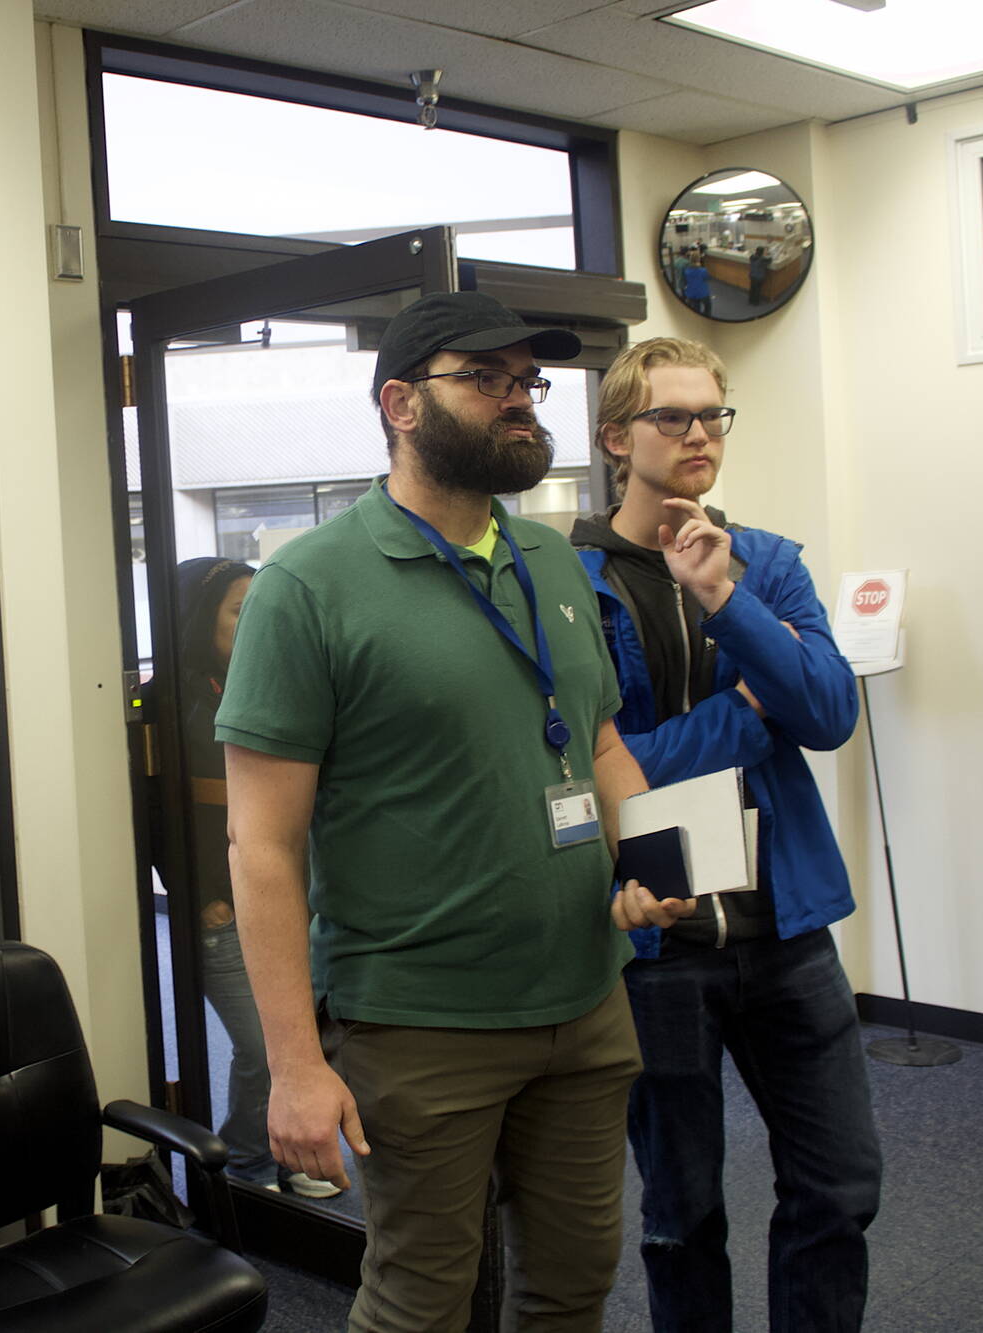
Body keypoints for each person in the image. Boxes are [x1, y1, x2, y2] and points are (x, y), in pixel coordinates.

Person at [216, 290, 691, 1332]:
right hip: (421, 1023)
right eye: (486, 380)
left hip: (585, 1000)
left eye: (525, 382)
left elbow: (599, 742)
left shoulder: (556, 562)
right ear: (398, 402)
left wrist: (655, 862)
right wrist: (294, 1067)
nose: (519, 401)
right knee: (421, 1301)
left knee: (571, 1285)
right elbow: (261, 845)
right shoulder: (307, 587)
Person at [573, 338, 880, 1333]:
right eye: (672, 416)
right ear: (617, 437)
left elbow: (829, 714)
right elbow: (598, 761)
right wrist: (747, 717)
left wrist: (722, 597)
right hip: (657, 944)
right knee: (680, 1217)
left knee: (837, 1189)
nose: (698, 433)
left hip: (784, 934)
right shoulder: (571, 583)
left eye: (712, 414)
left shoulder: (765, 563)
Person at [165, 556, 339, 1200]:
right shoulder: (169, 709)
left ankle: (290, 1157)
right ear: (198, 622)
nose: (255, 623)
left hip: (299, 898)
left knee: (308, 1036)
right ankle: (244, 1167)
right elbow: (161, 823)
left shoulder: (278, 682)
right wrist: (205, 898)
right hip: (224, 911)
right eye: (240, 611)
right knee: (266, 1049)